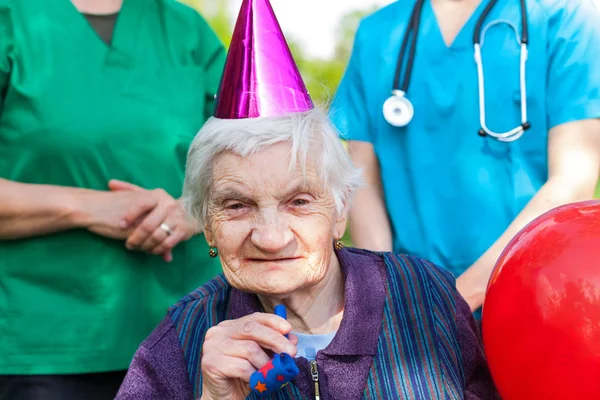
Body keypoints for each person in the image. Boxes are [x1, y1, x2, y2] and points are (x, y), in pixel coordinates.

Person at [115, 1, 499, 399]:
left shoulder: (425, 296)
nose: (270, 237)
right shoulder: (182, 340)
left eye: (298, 202)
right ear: (208, 226)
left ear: (339, 211)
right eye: (236, 206)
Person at [0, 0, 225, 398]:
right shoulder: (12, 22)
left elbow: (252, 157)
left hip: (189, 338)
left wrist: (194, 211)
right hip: (44, 345)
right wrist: (89, 207)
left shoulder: (186, 29)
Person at [330, 0, 600, 314]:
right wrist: (386, 299)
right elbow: (362, 182)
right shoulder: (378, 33)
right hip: (413, 307)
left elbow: (573, 180)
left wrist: (454, 302)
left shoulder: (564, 18)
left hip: (538, 299)